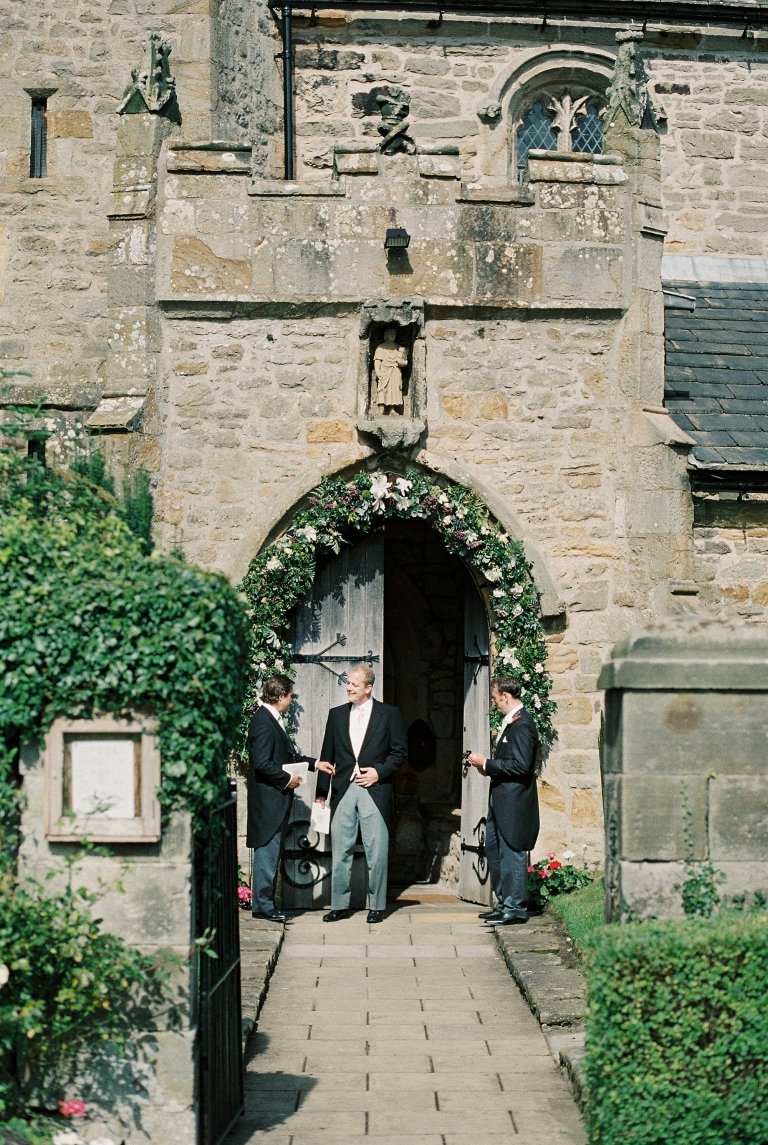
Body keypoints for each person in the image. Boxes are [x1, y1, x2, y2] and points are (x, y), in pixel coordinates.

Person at [315, 663, 407, 924]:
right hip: (343, 789)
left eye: (354, 684)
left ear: (368, 688)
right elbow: (326, 756)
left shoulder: (389, 714)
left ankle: (376, 906)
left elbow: (399, 753)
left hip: (374, 790)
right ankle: (339, 905)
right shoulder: (336, 715)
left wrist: (379, 772)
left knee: (376, 852)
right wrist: (321, 793)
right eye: (348, 683)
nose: (349, 687)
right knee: (340, 850)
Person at [246, 674, 335, 922]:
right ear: (280, 696)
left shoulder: (271, 718)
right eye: (290, 696)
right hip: (269, 802)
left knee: (272, 852)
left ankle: (266, 903)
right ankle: (263, 906)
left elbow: (286, 756)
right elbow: (262, 763)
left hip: (274, 801)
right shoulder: (263, 722)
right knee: (267, 851)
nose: (291, 700)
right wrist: (287, 780)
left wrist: (315, 764)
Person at [466, 675, 539, 926]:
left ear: (506, 696)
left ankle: (515, 908)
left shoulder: (523, 725)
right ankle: (504, 903)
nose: (494, 703)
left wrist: (487, 763)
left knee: (512, 853)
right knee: (495, 850)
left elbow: (520, 765)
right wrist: (487, 768)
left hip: (514, 803)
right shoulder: (512, 723)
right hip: (501, 800)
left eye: (495, 698)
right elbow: (509, 763)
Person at [373, 327, 408, 410]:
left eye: (394, 334)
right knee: (382, 389)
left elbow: (404, 361)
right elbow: (377, 361)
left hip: (395, 371)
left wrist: (402, 362)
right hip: (384, 371)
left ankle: (392, 409)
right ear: (386, 335)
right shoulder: (381, 348)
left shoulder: (399, 348)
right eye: (390, 334)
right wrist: (378, 372)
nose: (392, 335)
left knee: (395, 390)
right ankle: (381, 408)